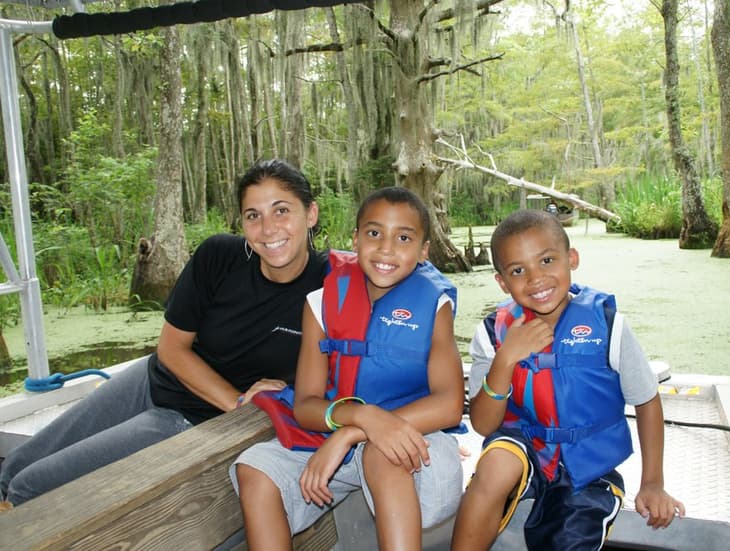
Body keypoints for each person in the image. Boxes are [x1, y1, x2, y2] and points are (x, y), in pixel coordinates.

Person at [0, 159, 328, 508]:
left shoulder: (332, 284)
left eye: (281, 211)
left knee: (30, 487)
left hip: (190, 419)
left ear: (310, 214)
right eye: (253, 215)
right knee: (15, 467)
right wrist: (238, 401)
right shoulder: (219, 256)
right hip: (149, 381)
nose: (267, 228)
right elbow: (172, 349)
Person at [231, 187, 465, 551]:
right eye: (374, 234)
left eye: (403, 238)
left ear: (423, 251)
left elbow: (450, 404)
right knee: (255, 468)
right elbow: (306, 405)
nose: (386, 249)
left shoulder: (435, 306)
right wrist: (362, 418)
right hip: (334, 432)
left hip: (413, 438)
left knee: (382, 450)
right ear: (355, 239)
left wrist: (354, 432)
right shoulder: (321, 303)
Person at [451, 209, 684, 551]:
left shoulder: (608, 324)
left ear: (571, 259)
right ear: (502, 281)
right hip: (522, 446)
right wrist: (505, 359)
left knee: (568, 536)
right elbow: (486, 424)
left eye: (547, 260)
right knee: (496, 464)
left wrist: (652, 482)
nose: (536, 279)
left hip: (589, 462)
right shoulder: (493, 332)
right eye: (518, 270)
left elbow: (646, 399)